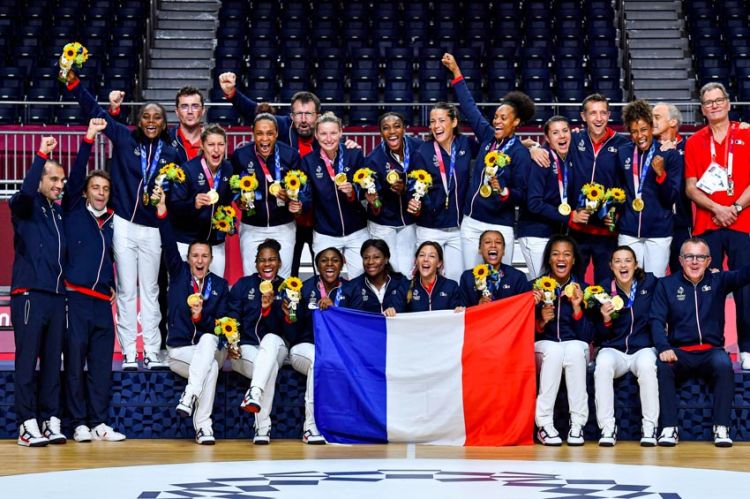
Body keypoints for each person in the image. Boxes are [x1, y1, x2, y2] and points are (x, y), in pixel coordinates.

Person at [64, 70, 179, 370]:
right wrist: (75, 82)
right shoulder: (124, 139)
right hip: (125, 226)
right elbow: (96, 111)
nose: (151, 121)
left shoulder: (172, 153)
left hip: (154, 228)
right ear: (138, 121)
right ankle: (129, 351)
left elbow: (180, 188)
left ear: (165, 123)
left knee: (152, 291)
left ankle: (152, 350)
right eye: (146, 117)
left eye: (157, 117)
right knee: (127, 290)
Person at [219, 73, 361, 276]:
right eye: (299, 114)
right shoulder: (283, 128)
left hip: (319, 222)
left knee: (323, 277)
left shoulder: (326, 139)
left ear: (318, 116)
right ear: (291, 117)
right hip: (290, 220)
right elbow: (257, 114)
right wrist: (232, 94)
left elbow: (335, 142)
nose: (303, 120)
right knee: (288, 276)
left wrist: (348, 144)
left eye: (309, 114)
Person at [651, 237, 750, 447]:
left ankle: (721, 427)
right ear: (680, 260)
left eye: (700, 257)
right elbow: (656, 320)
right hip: (679, 351)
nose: (694, 262)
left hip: (711, 351)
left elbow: (745, 274)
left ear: (708, 261)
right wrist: (664, 347)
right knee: (663, 366)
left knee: (724, 364)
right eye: (689, 257)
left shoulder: (719, 280)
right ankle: (669, 428)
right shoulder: (666, 285)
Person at [62, 119, 126, 443]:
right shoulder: (73, 210)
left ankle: (100, 421)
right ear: (86, 192)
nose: (100, 193)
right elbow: (74, 177)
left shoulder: (114, 222)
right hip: (76, 299)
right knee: (75, 364)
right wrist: (88, 139)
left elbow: (111, 257)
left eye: (105, 189)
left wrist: (111, 281)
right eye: (95, 188)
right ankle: (78, 423)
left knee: (101, 366)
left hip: (103, 303)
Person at [442, 53, 535, 269]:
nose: (497, 121)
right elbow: (469, 107)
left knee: (501, 282)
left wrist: (504, 192)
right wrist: (456, 72)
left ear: (516, 122)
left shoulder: (520, 153)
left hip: (500, 225)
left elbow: (522, 194)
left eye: (503, 118)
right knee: (470, 278)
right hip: (472, 222)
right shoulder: (487, 136)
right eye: (495, 117)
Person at [153, 185, 230, 445]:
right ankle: (204, 427)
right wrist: (162, 210)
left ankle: (189, 396)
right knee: (209, 371)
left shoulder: (219, 286)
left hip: (209, 349)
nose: (200, 260)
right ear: (187, 259)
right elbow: (167, 241)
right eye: (195, 255)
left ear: (211, 259)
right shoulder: (178, 274)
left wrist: (200, 318)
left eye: (204, 256)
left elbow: (220, 329)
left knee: (209, 340)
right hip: (181, 350)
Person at [684, 82, 750, 371]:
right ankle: (710, 345)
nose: (714, 105)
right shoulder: (695, 141)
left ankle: (747, 348)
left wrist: (735, 207)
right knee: (707, 288)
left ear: (728, 103)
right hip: (707, 222)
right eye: (708, 102)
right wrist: (717, 208)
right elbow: (690, 187)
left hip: (743, 221)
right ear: (702, 109)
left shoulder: (747, 134)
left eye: (718, 100)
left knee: (745, 288)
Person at [531, 94, 629, 283]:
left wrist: (616, 214)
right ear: (584, 116)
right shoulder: (573, 139)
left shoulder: (622, 144)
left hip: (607, 231)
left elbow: (626, 186)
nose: (598, 118)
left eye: (603, 113)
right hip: (576, 229)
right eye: (593, 113)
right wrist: (533, 147)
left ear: (609, 115)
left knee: (605, 285)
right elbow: (548, 148)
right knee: (573, 283)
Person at [10, 136, 67, 446]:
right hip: (29, 294)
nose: (59, 184)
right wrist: (40, 155)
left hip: (56, 296)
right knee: (27, 360)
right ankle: (25, 423)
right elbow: (25, 190)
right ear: (40, 179)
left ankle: (49, 419)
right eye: (54, 178)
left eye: (62, 180)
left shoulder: (57, 213)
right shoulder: (24, 205)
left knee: (51, 363)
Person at [592, 246, 659, 447]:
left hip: (643, 349)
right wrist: (604, 319)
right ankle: (607, 427)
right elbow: (599, 335)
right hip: (614, 350)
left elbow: (674, 285)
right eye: (618, 261)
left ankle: (650, 427)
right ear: (611, 266)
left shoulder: (650, 283)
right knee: (602, 364)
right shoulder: (602, 290)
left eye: (628, 260)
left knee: (648, 366)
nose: (623, 265)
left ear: (636, 265)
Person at [285, 247, 348, 444]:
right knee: (317, 360)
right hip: (303, 349)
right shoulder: (303, 289)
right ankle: (310, 426)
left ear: (342, 263)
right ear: (316, 265)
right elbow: (292, 334)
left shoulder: (350, 289)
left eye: (335, 260)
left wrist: (334, 309)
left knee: (326, 360)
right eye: (324, 260)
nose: (329, 264)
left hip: (336, 352)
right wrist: (289, 318)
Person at [409, 103, 478, 281]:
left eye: (441, 120)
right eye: (432, 122)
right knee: (427, 278)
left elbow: (492, 148)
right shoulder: (423, 152)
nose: (436, 126)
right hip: (430, 228)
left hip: (459, 228)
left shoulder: (465, 144)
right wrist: (416, 203)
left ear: (454, 122)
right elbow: (415, 186)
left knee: (456, 278)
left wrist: (528, 147)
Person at [294, 112, 369, 277]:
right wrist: (298, 205)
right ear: (316, 135)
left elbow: (367, 188)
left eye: (333, 133)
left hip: (357, 230)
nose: (328, 138)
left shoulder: (354, 155)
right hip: (325, 233)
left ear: (341, 133)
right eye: (323, 133)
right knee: (326, 281)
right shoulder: (308, 161)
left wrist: (353, 191)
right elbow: (307, 196)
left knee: (361, 279)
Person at [534, 235, 592, 446]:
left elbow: (587, 337)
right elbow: (523, 332)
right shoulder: (535, 288)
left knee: (575, 349)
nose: (561, 258)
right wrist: (541, 321)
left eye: (567, 254)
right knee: (556, 351)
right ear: (549, 259)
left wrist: (577, 308)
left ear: (574, 260)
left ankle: (577, 425)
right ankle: (544, 424)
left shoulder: (584, 289)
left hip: (574, 347)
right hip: (543, 347)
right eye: (556, 254)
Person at [228, 239, 287, 445]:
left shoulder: (287, 288)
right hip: (245, 348)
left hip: (276, 348)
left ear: (280, 263)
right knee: (267, 369)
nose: (267, 264)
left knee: (270, 340)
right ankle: (263, 427)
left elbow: (288, 329)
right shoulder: (243, 285)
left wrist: (268, 310)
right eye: (262, 260)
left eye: (272, 260)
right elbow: (232, 319)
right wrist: (231, 344)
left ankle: (254, 393)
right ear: (255, 264)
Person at [616, 99, 681, 277]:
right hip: (629, 231)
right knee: (628, 282)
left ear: (652, 128)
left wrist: (661, 175)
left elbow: (671, 197)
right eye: (634, 131)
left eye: (644, 129)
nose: (640, 136)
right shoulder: (623, 153)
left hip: (658, 233)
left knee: (654, 284)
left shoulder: (669, 155)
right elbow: (619, 189)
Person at [232, 113, 302, 277]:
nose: (265, 139)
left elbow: (303, 190)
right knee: (251, 278)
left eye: (269, 133)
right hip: (252, 227)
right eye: (260, 133)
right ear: (253, 133)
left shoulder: (290, 155)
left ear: (276, 133)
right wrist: (239, 200)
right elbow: (232, 187)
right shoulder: (240, 155)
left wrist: (293, 199)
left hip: (283, 226)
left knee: (283, 279)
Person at [168, 124, 234, 276]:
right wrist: (194, 204)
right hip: (187, 241)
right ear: (203, 146)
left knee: (215, 288)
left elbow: (227, 202)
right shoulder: (188, 170)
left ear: (226, 146)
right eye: (211, 145)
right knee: (184, 291)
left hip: (214, 243)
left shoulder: (229, 169)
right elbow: (175, 207)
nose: (216, 150)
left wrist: (229, 221)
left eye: (220, 144)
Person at [525, 116, 584, 278]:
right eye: (556, 133)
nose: (562, 136)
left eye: (565, 131)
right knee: (542, 284)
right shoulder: (541, 159)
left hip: (556, 233)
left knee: (552, 285)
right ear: (548, 138)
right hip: (536, 232)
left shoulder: (568, 160)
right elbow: (534, 203)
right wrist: (569, 216)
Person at [364, 112, 422, 274]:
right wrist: (374, 201)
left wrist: (406, 190)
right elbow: (376, 203)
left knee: (407, 271)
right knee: (388, 270)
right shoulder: (374, 159)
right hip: (383, 223)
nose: (392, 132)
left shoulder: (419, 148)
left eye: (397, 126)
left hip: (410, 222)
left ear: (404, 129)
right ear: (380, 132)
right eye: (386, 128)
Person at [652, 102, 689, 274]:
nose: (652, 121)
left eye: (657, 117)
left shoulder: (689, 147)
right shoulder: (647, 148)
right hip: (654, 223)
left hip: (680, 222)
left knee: (682, 274)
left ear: (673, 122)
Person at [335, 239, 409, 315]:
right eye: (366, 258)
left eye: (376, 257)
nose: (370, 262)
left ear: (386, 259)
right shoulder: (351, 287)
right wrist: (330, 307)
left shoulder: (401, 282)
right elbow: (341, 317)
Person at [458, 230, 531, 306]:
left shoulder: (517, 277)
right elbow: (462, 312)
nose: (493, 245)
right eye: (487, 242)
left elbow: (524, 308)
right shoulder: (468, 277)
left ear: (503, 250)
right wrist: (477, 307)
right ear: (480, 249)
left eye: (498, 242)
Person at [405, 241, 463, 312]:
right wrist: (391, 311)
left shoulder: (451, 286)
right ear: (416, 261)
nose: (426, 259)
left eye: (432, 256)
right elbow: (396, 312)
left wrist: (459, 311)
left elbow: (457, 315)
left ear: (439, 263)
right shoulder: (405, 286)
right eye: (422, 255)